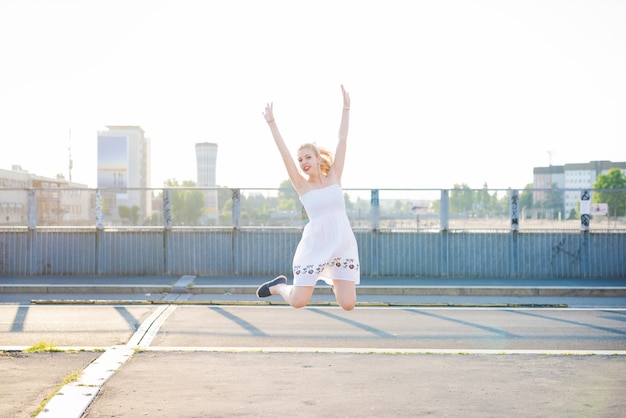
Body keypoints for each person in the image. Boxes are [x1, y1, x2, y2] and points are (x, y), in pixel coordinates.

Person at [256, 85, 360, 311]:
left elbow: (342, 141)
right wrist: (272, 123)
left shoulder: (334, 176)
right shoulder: (302, 186)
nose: (303, 162)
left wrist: (346, 108)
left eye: (307, 157)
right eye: (300, 159)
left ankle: (332, 276)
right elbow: (284, 155)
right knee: (297, 301)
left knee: (348, 304)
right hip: (317, 245)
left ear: (317, 157)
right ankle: (279, 286)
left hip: (341, 243)